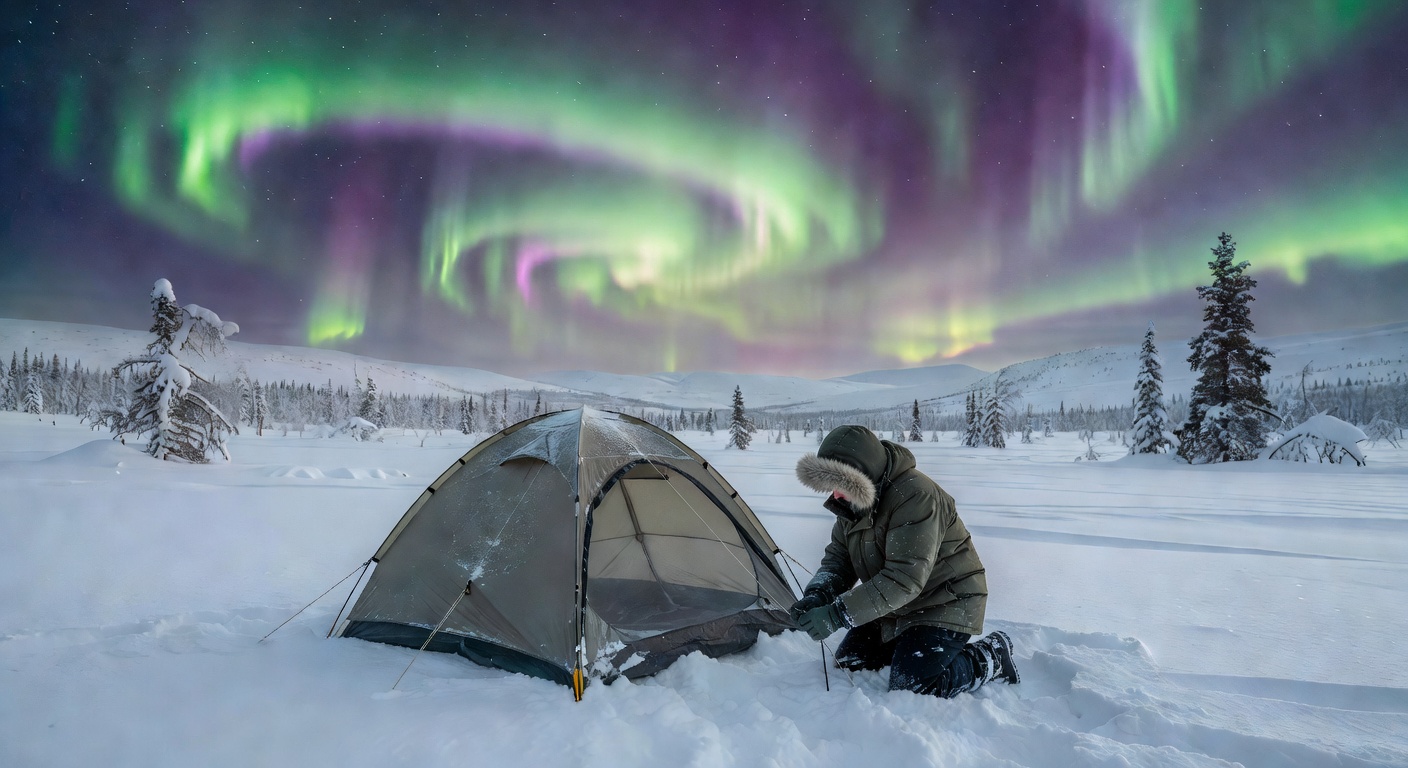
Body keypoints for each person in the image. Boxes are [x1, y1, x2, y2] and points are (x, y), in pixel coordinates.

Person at [791, 425, 1019, 697]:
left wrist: (837, 614)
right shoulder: (853, 503)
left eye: (841, 485)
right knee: (851, 664)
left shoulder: (916, 497)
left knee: (915, 686)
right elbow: (839, 560)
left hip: (944, 602)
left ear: (862, 476)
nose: (836, 495)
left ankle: (991, 655)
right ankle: (909, 645)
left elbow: (903, 578)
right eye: (831, 486)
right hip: (895, 605)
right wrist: (818, 595)